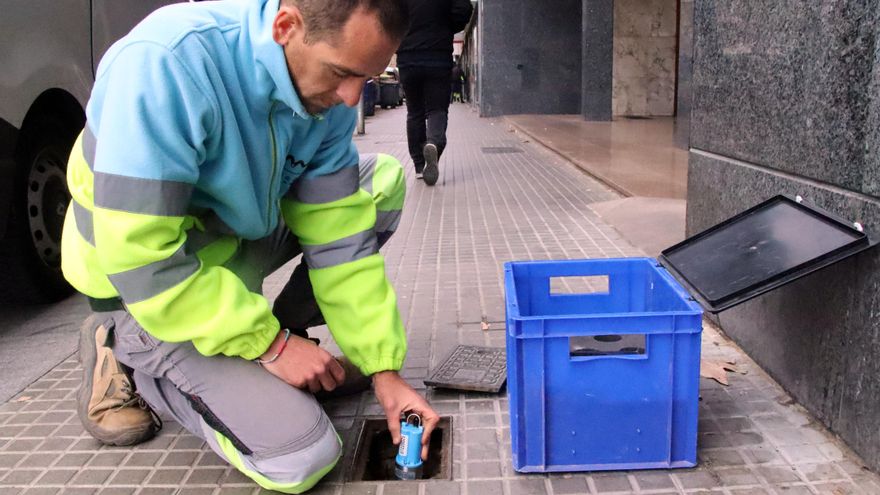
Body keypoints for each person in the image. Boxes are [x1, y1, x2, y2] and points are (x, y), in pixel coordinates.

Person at [60, 0, 439, 492]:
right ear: (287, 27)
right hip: (139, 285)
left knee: (379, 183)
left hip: (230, 244)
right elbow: (142, 260)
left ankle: (268, 344)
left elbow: (341, 241)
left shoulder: (326, 98)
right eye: (342, 73)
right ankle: (123, 350)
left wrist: (383, 368)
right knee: (302, 458)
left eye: (365, 79)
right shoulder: (164, 63)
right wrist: (269, 346)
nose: (351, 99)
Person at [396, 0, 474, 186]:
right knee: (437, 109)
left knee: (414, 112)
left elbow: (387, 13)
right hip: (437, 55)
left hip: (408, 56)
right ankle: (434, 144)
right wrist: (446, 27)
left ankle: (418, 165)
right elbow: (464, 8)